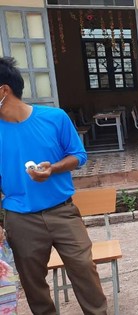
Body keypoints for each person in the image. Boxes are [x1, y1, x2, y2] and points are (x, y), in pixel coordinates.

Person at [0, 57, 108, 314]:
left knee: (84, 269)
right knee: (32, 283)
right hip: (20, 218)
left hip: (63, 211)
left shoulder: (54, 118)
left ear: (4, 90)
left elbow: (78, 156)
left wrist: (54, 168)